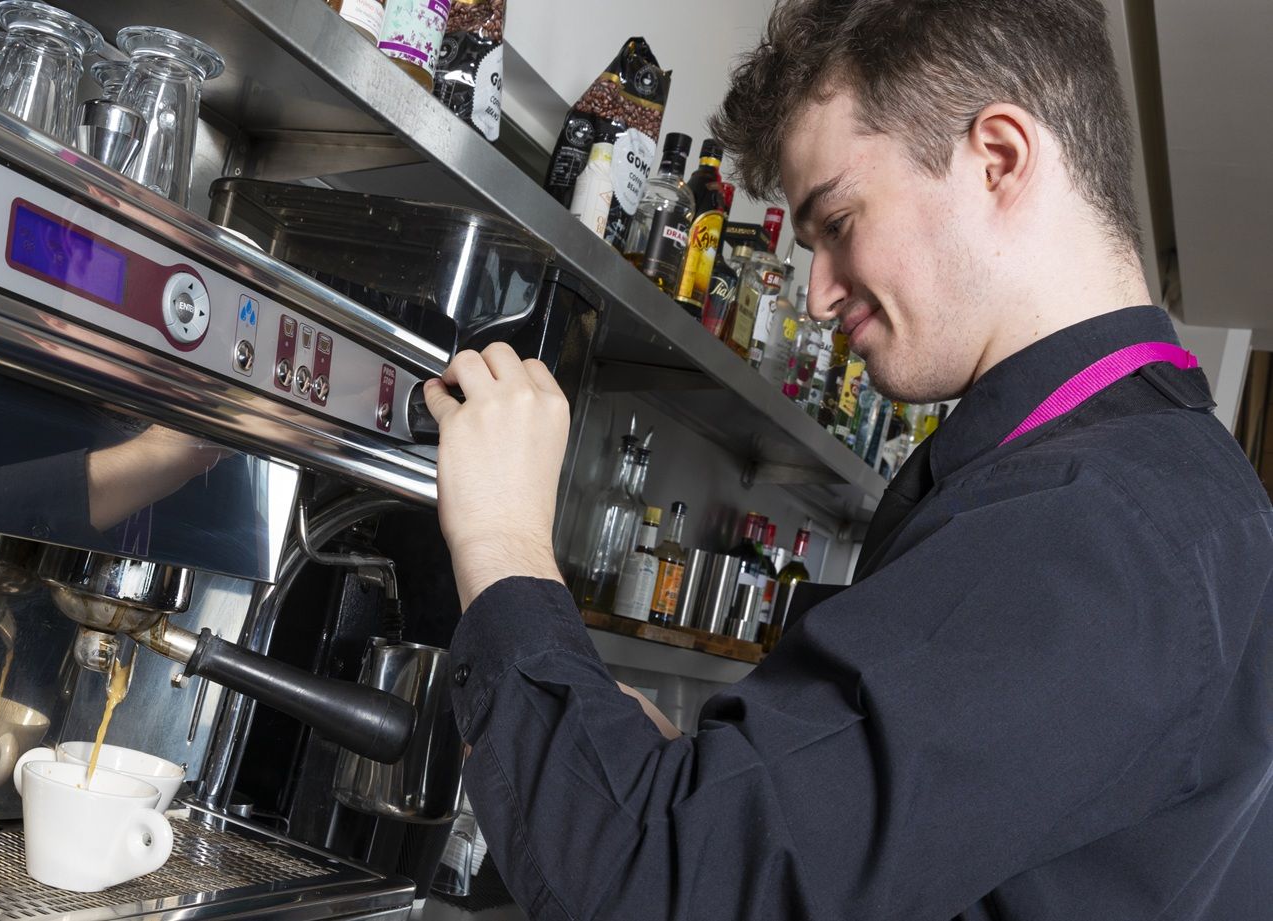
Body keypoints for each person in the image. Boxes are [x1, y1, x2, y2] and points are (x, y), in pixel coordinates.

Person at [421, 1, 1273, 918]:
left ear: (999, 157)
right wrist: (712, 785)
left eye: (837, 221)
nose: (820, 294)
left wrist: (502, 537)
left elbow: (660, 885)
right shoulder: (1171, 486)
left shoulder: (1094, 523)